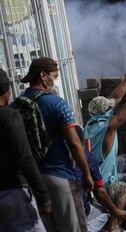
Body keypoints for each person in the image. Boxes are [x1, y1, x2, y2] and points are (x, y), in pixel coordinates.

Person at [15, 57, 93, 232]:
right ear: (44, 76)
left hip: (31, 181)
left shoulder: (16, 105)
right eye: (55, 76)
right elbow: (74, 142)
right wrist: (87, 173)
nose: (55, 80)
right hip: (59, 176)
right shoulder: (56, 103)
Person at [0, 68, 50, 231]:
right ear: (6, 91)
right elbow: (24, 157)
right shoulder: (9, 116)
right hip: (14, 193)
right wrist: (44, 197)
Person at [84, 64, 126, 185]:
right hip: (105, 181)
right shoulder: (107, 127)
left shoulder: (91, 122)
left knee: (125, 159)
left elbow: (115, 98)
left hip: (98, 168)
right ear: (105, 111)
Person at [73, 126, 126, 232]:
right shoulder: (87, 156)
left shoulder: (52, 156)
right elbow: (99, 192)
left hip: (51, 207)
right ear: (82, 141)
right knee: (104, 215)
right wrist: (115, 211)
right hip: (79, 207)